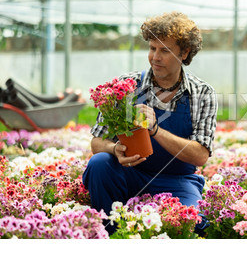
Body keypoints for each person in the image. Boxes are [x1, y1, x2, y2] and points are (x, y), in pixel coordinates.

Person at [82, 12, 217, 234]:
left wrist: (155, 130)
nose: (155, 56)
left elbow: (200, 155)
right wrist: (115, 149)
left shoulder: (202, 93)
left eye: (165, 50)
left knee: (193, 227)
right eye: (152, 48)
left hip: (177, 181)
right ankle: (109, 234)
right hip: (131, 175)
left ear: (184, 53)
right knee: (100, 164)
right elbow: (97, 143)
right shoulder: (126, 86)